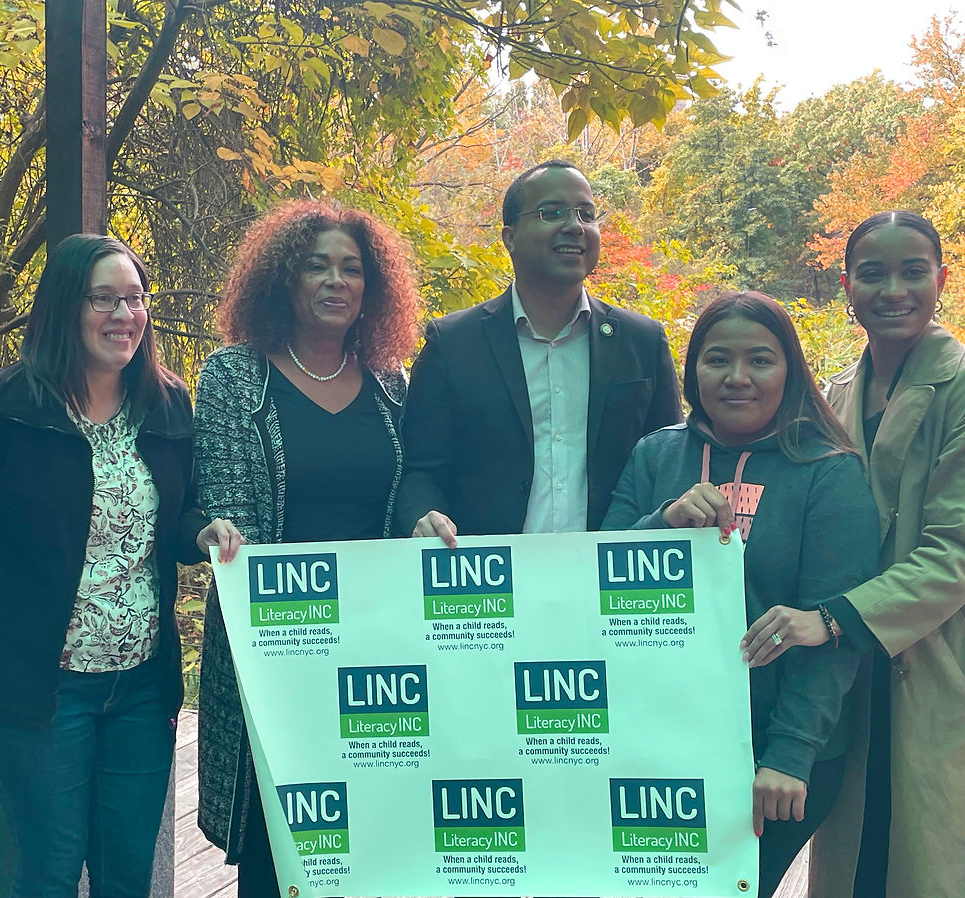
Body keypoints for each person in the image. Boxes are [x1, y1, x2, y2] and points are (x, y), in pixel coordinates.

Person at [0, 234, 242, 898]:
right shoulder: (7, 408)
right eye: (103, 299)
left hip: (140, 686)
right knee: (51, 871)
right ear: (63, 307)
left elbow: (174, 520)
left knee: (125, 874)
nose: (125, 314)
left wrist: (204, 530)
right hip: (39, 689)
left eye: (136, 299)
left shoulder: (166, 404)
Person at [603, 291, 879, 898]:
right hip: (659, 740)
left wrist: (790, 755)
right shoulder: (657, 455)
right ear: (692, 371)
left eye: (760, 360)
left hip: (773, 756)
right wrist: (662, 525)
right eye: (717, 360)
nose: (737, 378)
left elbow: (834, 636)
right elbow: (596, 576)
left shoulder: (828, 472)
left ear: (791, 371)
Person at [193, 200, 420, 896]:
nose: (336, 281)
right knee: (277, 846)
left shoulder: (391, 385)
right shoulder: (235, 377)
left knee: (371, 846)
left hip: (375, 654)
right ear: (282, 279)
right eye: (316, 265)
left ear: (371, 288)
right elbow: (231, 510)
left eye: (352, 269)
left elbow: (408, 498)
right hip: (279, 650)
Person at [741, 211, 965, 898]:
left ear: (942, 278)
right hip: (844, 677)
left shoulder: (959, 386)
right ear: (846, 285)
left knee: (927, 855)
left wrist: (832, 617)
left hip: (932, 657)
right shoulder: (833, 392)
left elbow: (955, 551)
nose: (891, 290)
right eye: (872, 274)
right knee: (855, 857)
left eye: (911, 271)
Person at [395, 160, 682, 545]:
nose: (574, 225)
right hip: (490, 582)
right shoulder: (453, 344)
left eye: (586, 213)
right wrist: (423, 518)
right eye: (552, 212)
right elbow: (420, 470)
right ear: (509, 237)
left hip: (609, 583)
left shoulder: (641, 341)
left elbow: (668, 465)